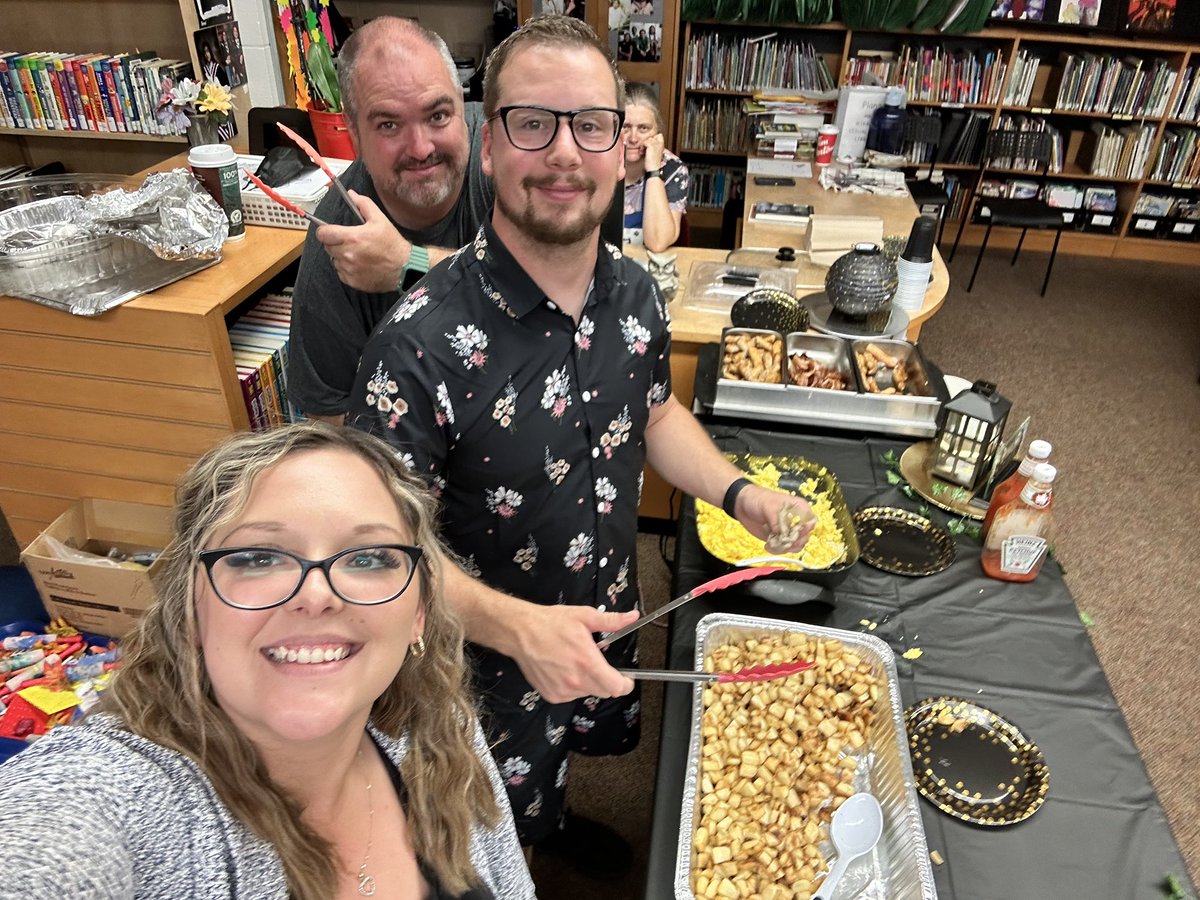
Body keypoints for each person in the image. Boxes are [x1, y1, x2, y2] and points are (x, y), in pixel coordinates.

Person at [348, 14, 814, 877]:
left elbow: (657, 414)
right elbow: (378, 555)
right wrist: (521, 629)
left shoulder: (636, 292)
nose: (565, 152)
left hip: (601, 602)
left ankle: (552, 822)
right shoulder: (415, 348)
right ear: (490, 146)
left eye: (591, 125)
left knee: (555, 780)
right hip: (478, 668)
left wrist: (741, 494)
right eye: (533, 121)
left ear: (624, 149)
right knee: (483, 839)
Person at [0, 425, 535, 899]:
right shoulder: (116, 798)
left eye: (370, 557)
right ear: (190, 605)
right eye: (259, 557)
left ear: (418, 613)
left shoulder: (440, 728)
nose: (319, 594)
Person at [287, 18, 494, 425]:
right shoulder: (335, 237)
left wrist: (410, 263)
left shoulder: (507, 157)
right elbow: (329, 419)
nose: (421, 148)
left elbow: (561, 296)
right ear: (353, 131)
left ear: (462, 102)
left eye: (437, 115)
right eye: (388, 125)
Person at [622, 82, 688, 250]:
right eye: (626, 127)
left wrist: (653, 170)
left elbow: (658, 243)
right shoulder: (597, 163)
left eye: (643, 128)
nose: (634, 138)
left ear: (657, 132)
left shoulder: (674, 169)